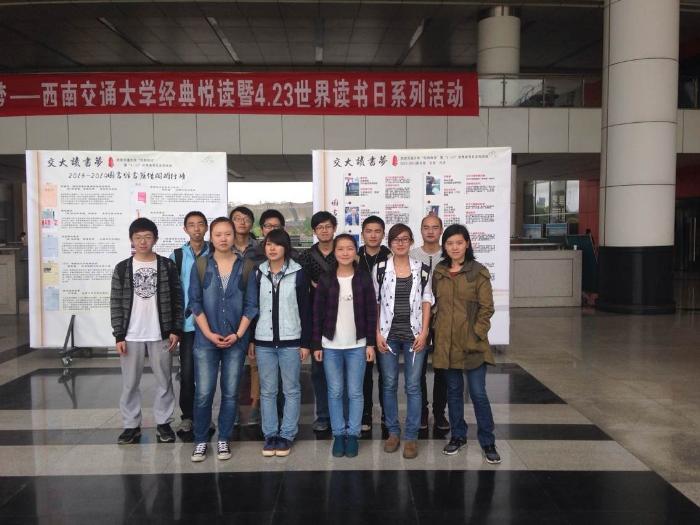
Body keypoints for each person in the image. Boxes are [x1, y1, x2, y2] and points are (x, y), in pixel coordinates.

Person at [188, 217, 259, 462]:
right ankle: (200, 440)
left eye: (227, 233)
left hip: (235, 341)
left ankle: (224, 438)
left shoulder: (246, 266)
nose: (223, 238)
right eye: (218, 234)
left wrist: (238, 334)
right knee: (204, 393)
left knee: (230, 393)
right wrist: (208, 333)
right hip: (205, 341)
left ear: (234, 235)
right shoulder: (201, 265)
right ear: (211, 236)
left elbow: (251, 305)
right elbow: (195, 303)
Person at [431, 224, 501, 464]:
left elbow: (486, 308)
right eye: (450, 243)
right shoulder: (440, 271)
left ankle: (487, 441)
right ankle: (458, 436)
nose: (454, 247)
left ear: (467, 244)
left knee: (478, 393)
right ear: (444, 246)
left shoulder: (478, 272)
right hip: (447, 344)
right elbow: (433, 304)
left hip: (472, 344)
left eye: (459, 243)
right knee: (453, 392)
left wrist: (476, 334)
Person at [110, 218, 182, 445]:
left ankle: (164, 423)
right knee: (130, 383)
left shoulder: (167, 266)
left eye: (147, 237)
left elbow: (178, 298)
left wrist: (175, 329)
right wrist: (119, 334)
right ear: (131, 239)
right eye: (138, 237)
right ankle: (131, 425)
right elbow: (115, 302)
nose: (143, 241)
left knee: (164, 380)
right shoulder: (123, 268)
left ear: (155, 239)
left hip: (161, 333)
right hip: (131, 335)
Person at [312, 234, 376, 458]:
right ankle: (339, 434)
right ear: (335, 252)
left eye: (350, 248)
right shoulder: (326, 279)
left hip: (357, 345)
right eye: (340, 249)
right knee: (335, 391)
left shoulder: (363, 278)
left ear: (355, 251)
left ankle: (353, 434)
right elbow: (317, 314)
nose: (345, 252)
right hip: (330, 345)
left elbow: (371, 312)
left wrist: (370, 344)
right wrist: (316, 345)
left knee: (355, 392)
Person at [249, 229, 311, 457]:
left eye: (277, 244)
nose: (272, 248)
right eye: (268, 244)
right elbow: (253, 308)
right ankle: (270, 435)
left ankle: (287, 434)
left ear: (286, 248)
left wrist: (306, 343)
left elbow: (305, 309)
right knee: (268, 391)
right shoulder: (258, 273)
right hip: (264, 341)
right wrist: (252, 339)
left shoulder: (298, 273)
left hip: (291, 340)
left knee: (291, 389)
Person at [374, 224, 433, 459]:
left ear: (411, 242)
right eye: (396, 239)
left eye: (405, 239)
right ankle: (393, 432)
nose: (400, 243)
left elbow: (427, 301)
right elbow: (376, 303)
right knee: (388, 384)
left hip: (414, 336)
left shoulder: (422, 269)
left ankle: (411, 436)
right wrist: (377, 333)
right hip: (387, 336)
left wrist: (424, 332)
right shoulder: (380, 269)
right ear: (389, 243)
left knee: (413, 385)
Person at [169, 211, 211, 439]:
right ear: (185, 229)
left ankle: (205, 415)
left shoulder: (215, 252)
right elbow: (173, 293)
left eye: (200, 224)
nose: (196, 229)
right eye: (191, 225)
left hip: (211, 324)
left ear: (206, 227)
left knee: (208, 374)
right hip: (187, 326)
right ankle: (188, 416)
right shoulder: (176, 256)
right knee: (187, 373)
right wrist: (173, 327)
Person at [298, 211, 337, 432]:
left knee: (342, 372)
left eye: (328, 226)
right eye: (320, 227)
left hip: (343, 318)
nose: (324, 230)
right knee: (318, 371)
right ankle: (322, 415)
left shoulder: (344, 251)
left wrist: (321, 286)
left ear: (334, 228)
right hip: (315, 319)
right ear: (314, 231)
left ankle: (342, 415)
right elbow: (302, 288)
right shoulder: (306, 257)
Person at [410, 213, 449, 431]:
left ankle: (439, 412)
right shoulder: (412, 255)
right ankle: (422, 411)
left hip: (444, 318)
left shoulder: (449, 253)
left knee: (442, 367)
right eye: (426, 227)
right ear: (421, 230)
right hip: (418, 318)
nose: (430, 231)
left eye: (435, 227)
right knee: (418, 368)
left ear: (441, 230)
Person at [356, 215, 391, 431]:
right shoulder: (354, 256)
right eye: (369, 231)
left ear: (383, 234)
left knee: (387, 374)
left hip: (386, 320)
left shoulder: (391, 256)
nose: (373, 235)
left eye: (377, 231)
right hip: (361, 320)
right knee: (364, 372)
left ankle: (388, 414)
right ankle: (365, 414)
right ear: (362, 234)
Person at [229, 206, 262, 426]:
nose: (242, 222)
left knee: (256, 365)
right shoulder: (221, 247)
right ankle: (231, 410)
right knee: (232, 367)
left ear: (252, 223)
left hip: (256, 312)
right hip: (230, 315)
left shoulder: (260, 250)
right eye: (237, 218)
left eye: (246, 219)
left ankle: (255, 408)